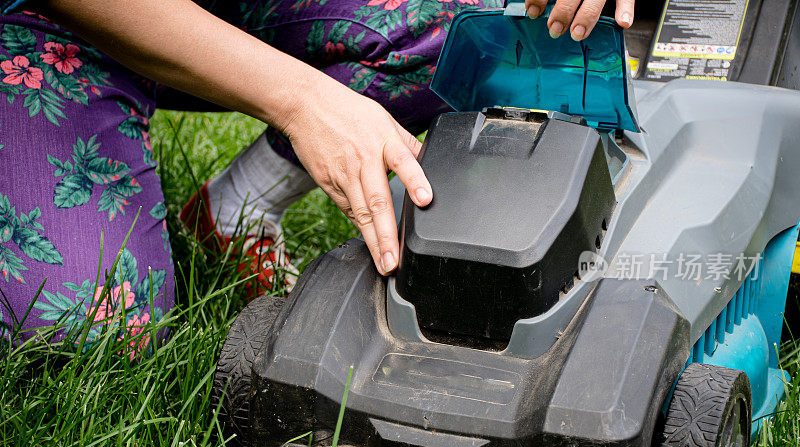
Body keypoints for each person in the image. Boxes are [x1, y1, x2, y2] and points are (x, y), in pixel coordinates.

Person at [0, 0, 634, 342]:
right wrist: (301, 102)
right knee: (92, 332)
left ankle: (234, 208)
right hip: (57, 18)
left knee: (477, 31)